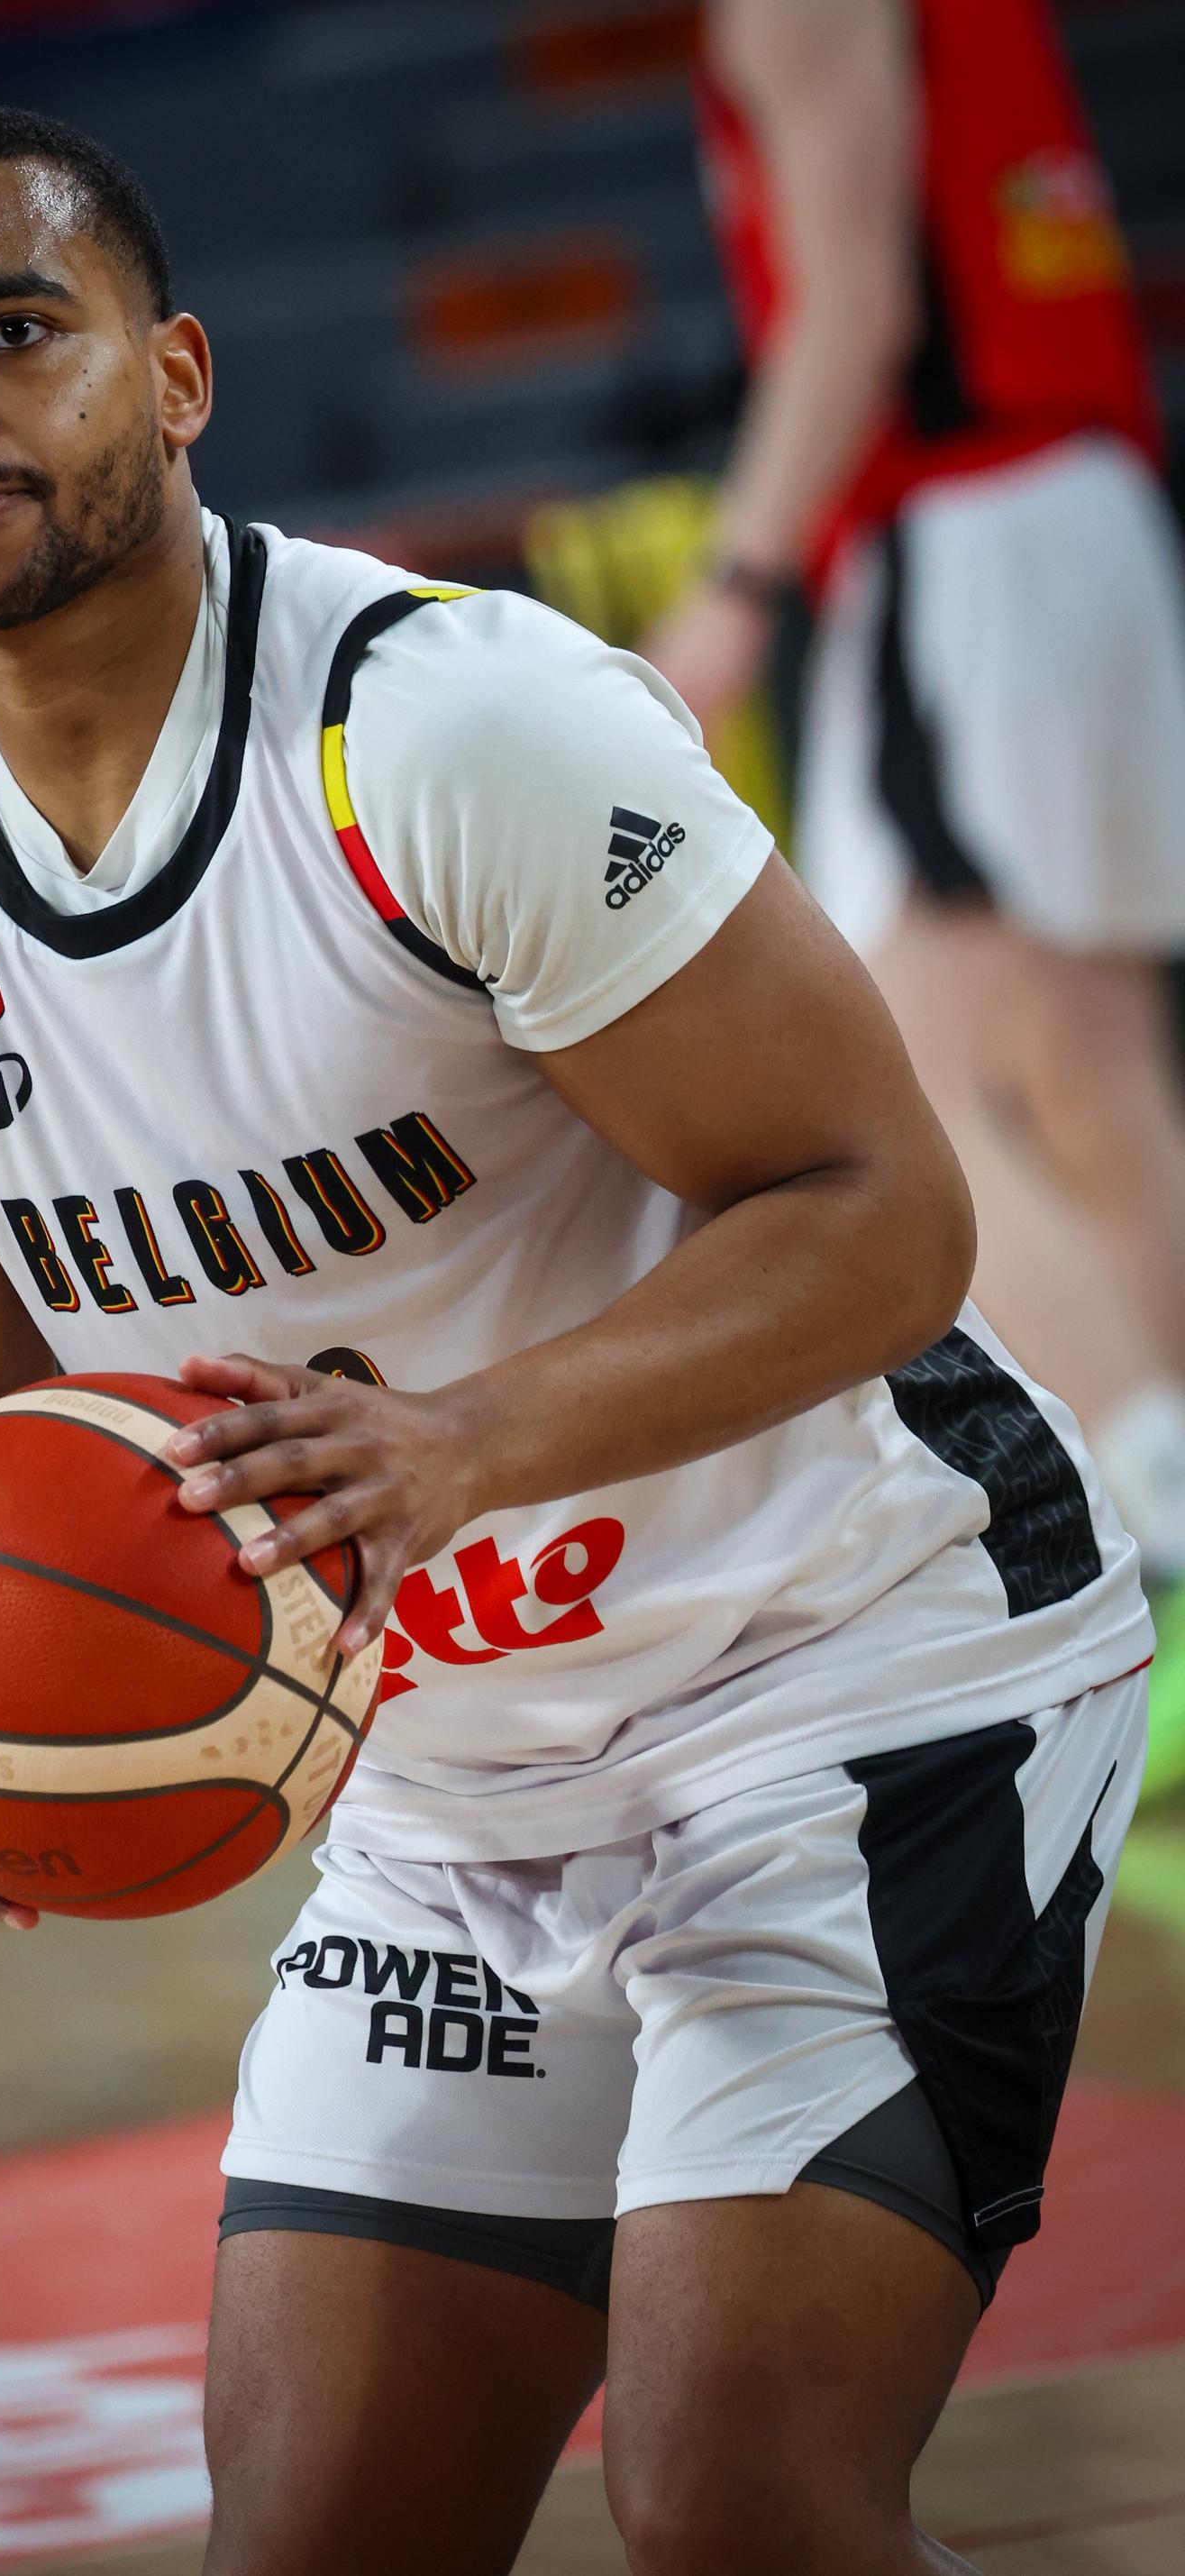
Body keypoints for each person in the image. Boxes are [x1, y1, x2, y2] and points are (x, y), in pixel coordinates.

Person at [0, 104, 1152, 2576]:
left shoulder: (444, 726)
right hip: (445, 1787)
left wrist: (460, 1451)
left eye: (11, 333)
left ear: (173, 377)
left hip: (849, 1673)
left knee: (736, 2505)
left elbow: (885, 1213)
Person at [643, 0, 1185, 1791]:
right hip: (1071, 508)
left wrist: (729, 589)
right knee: (1089, 1077)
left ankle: (1152, 1591)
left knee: (924, 1096)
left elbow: (855, 310)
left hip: (973, 538)